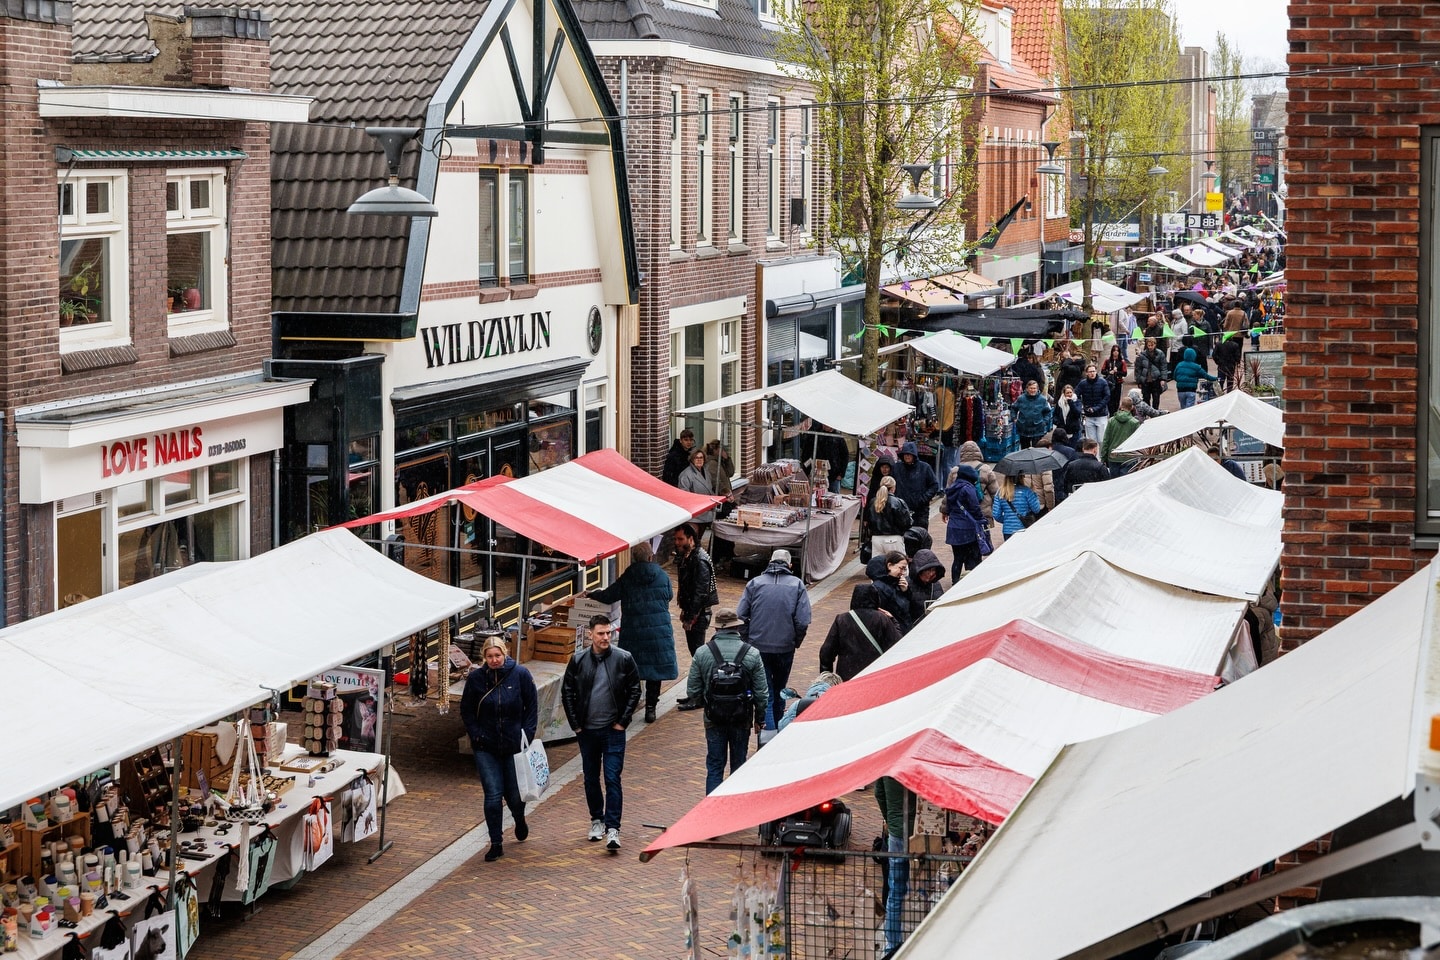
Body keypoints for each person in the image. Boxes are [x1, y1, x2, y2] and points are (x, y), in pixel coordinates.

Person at [560, 615, 641, 852]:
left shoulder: (623, 658)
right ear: (590, 634)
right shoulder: (578, 660)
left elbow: (635, 690)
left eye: (609, 633)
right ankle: (597, 819)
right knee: (591, 777)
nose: (606, 637)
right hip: (587, 731)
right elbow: (567, 692)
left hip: (613, 730)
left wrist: (623, 722)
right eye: (601, 633)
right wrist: (576, 725)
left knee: (612, 777)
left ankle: (613, 828)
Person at [460, 636, 538, 863]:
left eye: (498, 655)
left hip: (513, 745)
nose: (494, 660)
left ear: (505, 654)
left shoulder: (520, 674)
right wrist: (476, 734)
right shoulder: (476, 679)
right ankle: (496, 842)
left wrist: (526, 734)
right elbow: (466, 710)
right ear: (484, 657)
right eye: (490, 656)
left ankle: (519, 818)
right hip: (486, 746)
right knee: (493, 794)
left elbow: (532, 706)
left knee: (514, 795)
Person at [584, 541, 676, 725]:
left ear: (634, 558)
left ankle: (629, 708)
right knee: (655, 671)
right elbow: (669, 596)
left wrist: (593, 594)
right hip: (658, 631)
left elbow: (609, 595)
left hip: (634, 630)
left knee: (632, 671)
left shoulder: (628, 576)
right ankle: (651, 708)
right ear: (650, 556)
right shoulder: (662, 576)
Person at [685, 608, 768, 794]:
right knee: (739, 765)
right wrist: (759, 718)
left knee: (715, 766)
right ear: (737, 627)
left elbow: (692, 691)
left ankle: (712, 808)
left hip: (714, 719)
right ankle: (735, 808)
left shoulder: (702, 653)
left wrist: (709, 702)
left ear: (716, 628)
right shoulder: (752, 653)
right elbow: (762, 693)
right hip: (741, 718)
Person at [736, 549, 813, 730]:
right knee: (780, 691)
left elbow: (741, 615)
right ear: (790, 565)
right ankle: (777, 729)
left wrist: (748, 639)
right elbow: (803, 621)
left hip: (758, 647)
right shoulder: (797, 585)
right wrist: (795, 640)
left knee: (766, 692)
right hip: (785, 648)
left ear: (770, 562)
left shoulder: (755, 583)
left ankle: (769, 734)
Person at [672, 524, 718, 709]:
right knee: (697, 654)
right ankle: (697, 694)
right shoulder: (689, 557)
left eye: (680, 539)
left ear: (691, 539)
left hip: (698, 615)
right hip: (694, 612)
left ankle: (700, 696)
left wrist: (691, 617)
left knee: (699, 655)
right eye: (676, 539)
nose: (677, 543)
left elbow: (700, 592)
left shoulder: (699, 560)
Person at [818, 583, 901, 681]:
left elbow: (826, 652)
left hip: (848, 677)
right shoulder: (882, 619)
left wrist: (827, 677)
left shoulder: (842, 619)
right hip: (875, 674)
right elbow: (897, 645)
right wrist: (893, 621)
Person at [875, 775, 917, 954]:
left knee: (895, 889)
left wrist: (890, 819)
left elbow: (879, 793)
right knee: (925, 883)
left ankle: (892, 945)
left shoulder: (888, 767)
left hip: (896, 831)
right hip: (918, 830)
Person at [942, 461, 987, 582]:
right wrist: (981, 520)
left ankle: (955, 581)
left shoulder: (952, 488)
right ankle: (970, 582)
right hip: (967, 528)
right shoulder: (968, 488)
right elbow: (975, 507)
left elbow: (948, 507)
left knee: (957, 558)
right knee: (972, 557)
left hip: (953, 528)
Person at [702, 440, 737, 566]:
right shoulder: (712, 464)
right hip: (721, 501)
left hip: (726, 499)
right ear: (716, 450)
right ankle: (717, 555)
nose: (724, 452)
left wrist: (727, 459)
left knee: (728, 526)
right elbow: (715, 482)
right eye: (722, 449)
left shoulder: (720, 462)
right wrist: (726, 493)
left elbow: (731, 472)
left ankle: (728, 552)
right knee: (721, 528)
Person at [891, 441, 941, 528]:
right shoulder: (896, 468)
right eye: (905, 454)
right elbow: (890, 483)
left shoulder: (925, 468)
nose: (907, 456)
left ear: (914, 455)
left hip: (920, 511)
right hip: (900, 510)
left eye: (909, 454)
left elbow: (934, 485)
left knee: (920, 534)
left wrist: (923, 499)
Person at [868, 550, 916, 634]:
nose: (902, 573)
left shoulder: (897, 584)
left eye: (904, 569)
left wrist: (906, 591)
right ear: (889, 566)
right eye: (901, 568)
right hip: (893, 632)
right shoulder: (878, 588)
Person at [677, 448, 716, 547]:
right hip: (694, 514)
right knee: (692, 540)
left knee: (698, 540)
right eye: (696, 458)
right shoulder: (686, 475)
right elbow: (684, 495)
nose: (699, 460)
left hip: (706, 512)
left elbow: (710, 490)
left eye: (701, 458)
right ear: (692, 459)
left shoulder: (706, 472)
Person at [955, 440, 999, 524]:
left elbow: (949, 492)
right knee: (982, 531)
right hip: (982, 511)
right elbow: (995, 492)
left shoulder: (955, 470)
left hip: (961, 511)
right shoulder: (986, 469)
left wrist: (944, 510)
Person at [1100, 396, 1142, 477]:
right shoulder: (1135, 422)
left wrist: (1103, 457)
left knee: (1114, 480)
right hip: (1129, 457)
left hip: (1113, 456)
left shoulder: (1111, 421)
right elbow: (1138, 441)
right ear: (1132, 407)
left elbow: (1106, 440)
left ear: (1121, 406)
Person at [1075, 363, 1111, 444]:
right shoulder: (1083, 383)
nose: (1092, 373)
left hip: (1101, 415)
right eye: (1090, 372)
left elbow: (1107, 397)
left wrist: (1096, 408)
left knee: (1102, 440)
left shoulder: (1103, 382)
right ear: (1086, 373)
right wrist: (1082, 406)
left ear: (1096, 372)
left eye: (1093, 371)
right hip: (1089, 415)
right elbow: (1076, 395)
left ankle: (1101, 452)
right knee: (1091, 441)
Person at [908, 548, 946, 624]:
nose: (931, 574)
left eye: (933, 570)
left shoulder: (935, 584)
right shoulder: (906, 585)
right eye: (927, 570)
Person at [1010, 380, 1052, 449]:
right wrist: (1014, 419)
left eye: (1034, 388)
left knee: (1037, 449)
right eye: (1031, 388)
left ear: (1037, 389)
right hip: (1023, 429)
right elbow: (1014, 408)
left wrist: (1044, 422)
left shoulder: (1042, 399)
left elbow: (1048, 412)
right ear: (1027, 389)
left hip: (1038, 429)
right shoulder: (1021, 398)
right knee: (1024, 450)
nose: (1032, 390)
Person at [1134, 337, 1168, 411]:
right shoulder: (1142, 355)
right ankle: (1147, 412)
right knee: (1146, 398)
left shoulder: (1160, 353)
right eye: (1148, 345)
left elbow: (1163, 367)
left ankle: (1155, 412)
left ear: (1155, 344)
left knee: (1156, 398)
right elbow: (1138, 369)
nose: (1150, 347)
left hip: (1156, 379)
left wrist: (1163, 379)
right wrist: (1139, 381)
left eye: (1151, 345)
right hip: (1145, 380)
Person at [1101, 345, 1128, 417]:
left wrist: (1117, 372)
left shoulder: (1122, 362)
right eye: (1114, 351)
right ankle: (1111, 413)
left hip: (1118, 383)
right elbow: (1102, 371)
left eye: (1117, 351)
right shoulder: (1107, 361)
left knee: (1116, 399)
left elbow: (1124, 373)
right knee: (1109, 399)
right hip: (1109, 383)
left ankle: (1115, 413)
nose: (1115, 352)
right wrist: (1109, 372)